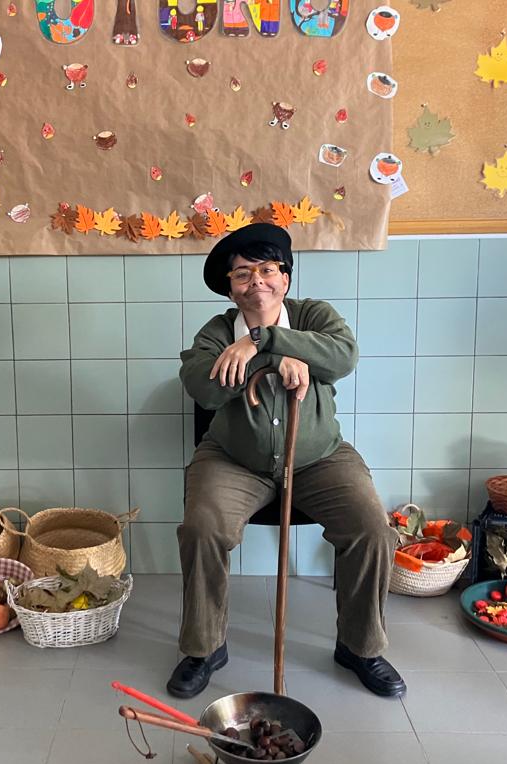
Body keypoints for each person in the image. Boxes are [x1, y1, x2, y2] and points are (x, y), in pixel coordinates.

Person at [168, 223, 406, 699]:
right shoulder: (216, 331)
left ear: (286, 278)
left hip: (320, 457)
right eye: (242, 274)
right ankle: (204, 649)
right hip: (234, 460)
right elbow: (202, 386)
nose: (256, 281)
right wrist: (273, 360)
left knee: (372, 530)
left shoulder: (314, 315)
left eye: (267, 269)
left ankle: (359, 648)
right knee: (202, 528)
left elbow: (342, 356)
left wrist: (264, 340)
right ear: (231, 289)